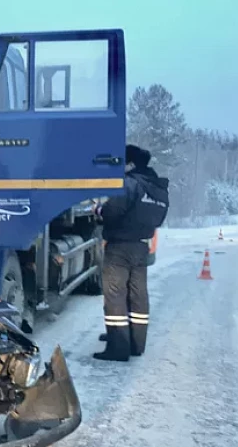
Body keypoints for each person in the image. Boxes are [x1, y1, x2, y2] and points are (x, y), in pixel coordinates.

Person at [93, 144, 170, 362]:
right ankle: (136, 343)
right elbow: (160, 219)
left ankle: (118, 347)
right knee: (138, 295)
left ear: (132, 163)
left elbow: (113, 210)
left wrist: (99, 210)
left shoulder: (131, 184)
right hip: (141, 246)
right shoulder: (158, 189)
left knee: (115, 295)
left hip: (119, 247)